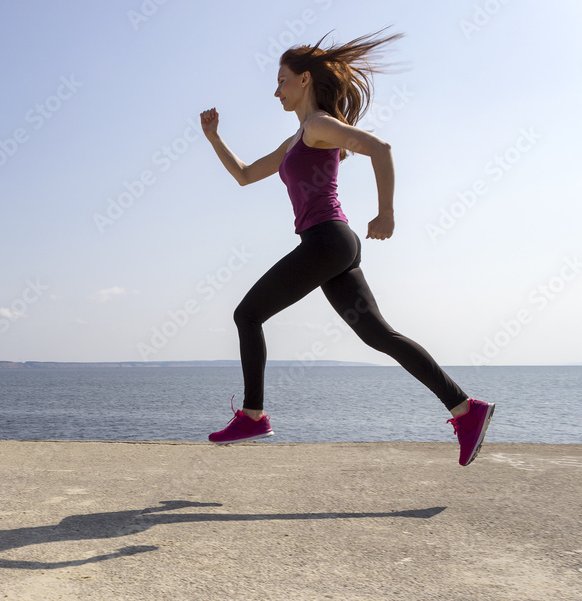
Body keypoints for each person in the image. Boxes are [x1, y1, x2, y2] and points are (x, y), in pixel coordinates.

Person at [199, 28, 494, 465]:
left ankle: (254, 415)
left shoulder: (318, 125)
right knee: (380, 335)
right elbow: (244, 175)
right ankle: (466, 410)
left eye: (281, 79)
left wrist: (386, 212)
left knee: (247, 314)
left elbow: (379, 147)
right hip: (332, 245)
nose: (275, 89)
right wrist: (213, 137)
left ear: (304, 80)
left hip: (327, 240)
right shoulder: (296, 138)